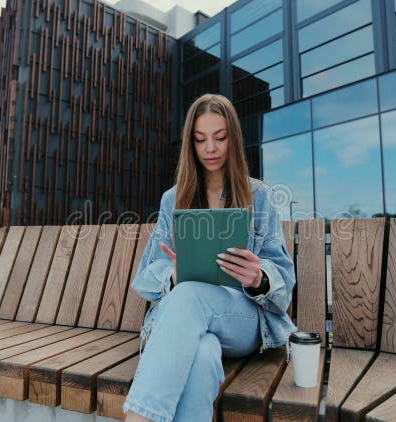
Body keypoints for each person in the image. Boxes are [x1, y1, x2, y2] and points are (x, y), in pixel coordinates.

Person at [123, 94, 297, 422]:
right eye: (201, 139)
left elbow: (283, 276)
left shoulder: (259, 197)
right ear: (190, 143)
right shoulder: (173, 199)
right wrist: (172, 275)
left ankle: (139, 418)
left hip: (241, 320)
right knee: (201, 354)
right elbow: (147, 274)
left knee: (190, 295)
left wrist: (259, 277)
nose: (211, 148)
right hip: (188, 322)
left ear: (233, 138)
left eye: (220, 137)